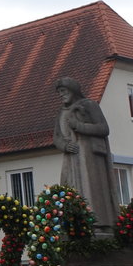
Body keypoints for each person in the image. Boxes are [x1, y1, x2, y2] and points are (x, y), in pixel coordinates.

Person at [53, 77, 118, 231]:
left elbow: (103, 128)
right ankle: (76, 224)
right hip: (71, 157)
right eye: (59, 93)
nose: (61, 95)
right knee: (71, 188)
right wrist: (64, 145)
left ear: (72, 90)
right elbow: (56, 137)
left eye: (63, 91)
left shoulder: (89, 105)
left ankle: (99, 223)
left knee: (92, 189)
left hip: (89, 156)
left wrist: (79, 126)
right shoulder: (62, 112)